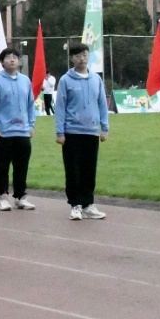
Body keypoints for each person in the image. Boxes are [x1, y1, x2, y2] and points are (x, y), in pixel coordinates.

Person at [55, 44, 109, 221]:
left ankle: (88, 204)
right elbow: (60, 107)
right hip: (72, 132)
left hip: (91, 132)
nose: (82, 58)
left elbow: (102, 104)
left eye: (85, 55)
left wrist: (104, 128)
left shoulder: (96, 79)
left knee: (89, 170)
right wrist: (60, 132)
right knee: (73, 170)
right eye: (78, 55)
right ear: (72, 58)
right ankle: (75, 205)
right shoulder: (65, 80)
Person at [0, 47, 36, 212]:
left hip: (22, 131)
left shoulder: (25, 81)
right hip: (3, 132)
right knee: (2, 166)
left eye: (15, 57)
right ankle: (2, 196)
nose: (12, 60)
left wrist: (31, 125)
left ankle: (20, 196)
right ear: (2, 62)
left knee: (22, 166)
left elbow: (30, 104)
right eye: (8, 57)